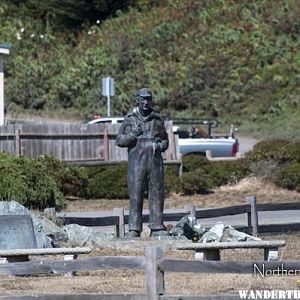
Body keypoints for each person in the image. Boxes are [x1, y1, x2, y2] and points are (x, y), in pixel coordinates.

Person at [116, 88, 169, 237]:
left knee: (157, 193)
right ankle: (134, 228)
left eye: (148, 99)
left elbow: (165, 141)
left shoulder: (157, 119)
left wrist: (160, 145)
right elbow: (119, 140)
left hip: (155, 162)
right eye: (143, 99)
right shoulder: (130, 119)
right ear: (137, 100)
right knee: (135, 194)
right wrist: (133, 134)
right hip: (136, 163)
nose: (146, 102)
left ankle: (157, 226)